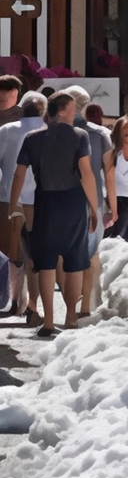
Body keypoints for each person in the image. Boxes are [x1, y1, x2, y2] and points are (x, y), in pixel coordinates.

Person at [7, 92, 98, 337]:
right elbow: (86, 173)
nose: (75, 112)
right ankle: (70, 315)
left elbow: (19, 173)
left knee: (45, 262)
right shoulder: (80, 136)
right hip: (73, 201)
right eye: (72, 108)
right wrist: (95, 207)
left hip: (45, 201)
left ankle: (48, 320)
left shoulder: (32, 138)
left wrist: (13, 203)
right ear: (62, 111)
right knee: (74, 259)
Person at [0, 93, 45, 321]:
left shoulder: (7, 130)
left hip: (10, 198)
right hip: (41, 200)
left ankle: (16, 302)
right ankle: (32, 307)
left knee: (13, 255)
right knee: (34, 256)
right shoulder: (48, 130)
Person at [68, 87, 112, 319]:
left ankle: (70, 305)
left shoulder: (51, 132)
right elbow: (109, 172)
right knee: (90, 254)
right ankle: (85, 304)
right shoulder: (99, 134)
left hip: (62, 199)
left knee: (68, 254)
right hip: (93, 199)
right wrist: (112, 205)